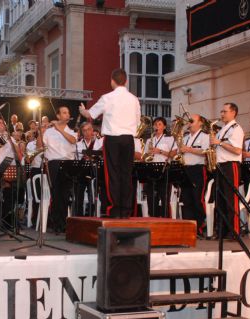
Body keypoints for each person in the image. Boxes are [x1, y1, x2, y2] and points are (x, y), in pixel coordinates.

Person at [79, 68, 140, 218]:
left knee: (112, 173)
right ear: (125, 81)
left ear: (112, 81)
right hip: (128, 138)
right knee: (126, 174)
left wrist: (82, 110)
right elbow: (138, 122)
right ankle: (126, 211)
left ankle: (115, 209)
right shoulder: (134, 99)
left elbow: (91, 114)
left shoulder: (107, 97)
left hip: (112, 138)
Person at [40, 106, 77, 233]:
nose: (67, 115)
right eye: (64, 113)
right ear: (58, 116)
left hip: (68, 164)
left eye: (68, 112)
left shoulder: (71, 131)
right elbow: (40, 145)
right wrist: (41, 131)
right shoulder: (49, 132)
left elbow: (73, 141)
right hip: (54, 163)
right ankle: (56, 223)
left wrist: (60, 129)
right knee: (55, 194)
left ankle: (63, 222)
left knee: (65, 195)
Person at [210, 102, 244, 238]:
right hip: (220, 165)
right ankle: (222, 231)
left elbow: (237, 150)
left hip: (231, 165)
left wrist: (220, 143)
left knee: (231, 199)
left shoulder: (236, 129)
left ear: (233, 112)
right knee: (221, 200)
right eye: (221, 112)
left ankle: (234, 231)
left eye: (225, 111)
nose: (222, 114)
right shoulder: (224, 129)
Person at [177, 114, 209, 236]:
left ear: (200, 123)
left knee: (197, 199)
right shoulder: (185, 137)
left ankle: (199, 228)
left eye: (192, 121)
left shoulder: (205, 136)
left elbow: (206, 152)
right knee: (186, 200)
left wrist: (189, 150)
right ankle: (188, 228)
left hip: (198, 170)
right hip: (186, 169)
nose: (189, 123)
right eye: (189, 121)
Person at [143, 117, 174, 217]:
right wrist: (148, 155)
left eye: (159, 124)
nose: (157, 126)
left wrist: (160, 151)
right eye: (155, 124)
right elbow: (144, 156)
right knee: (151, 198)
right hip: (151, 169)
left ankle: (165, 221)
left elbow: (174, 154)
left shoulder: (169, 139)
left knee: (164, 198)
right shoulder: (149, 140)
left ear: (164, 127)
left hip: (164, 170)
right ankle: (152, 218)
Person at [73, 122, 103, 216]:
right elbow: (75, 158)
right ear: (82, 132)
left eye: (89, 129)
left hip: (94, 173)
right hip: (81, 173)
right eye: (84, 130)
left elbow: (101, 157)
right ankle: (78, 216)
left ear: (92, 131)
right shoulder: (77, 144)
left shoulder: (98, 143)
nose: (87, 132)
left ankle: (92, 216)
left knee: (93, 196)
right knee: (79, 196)